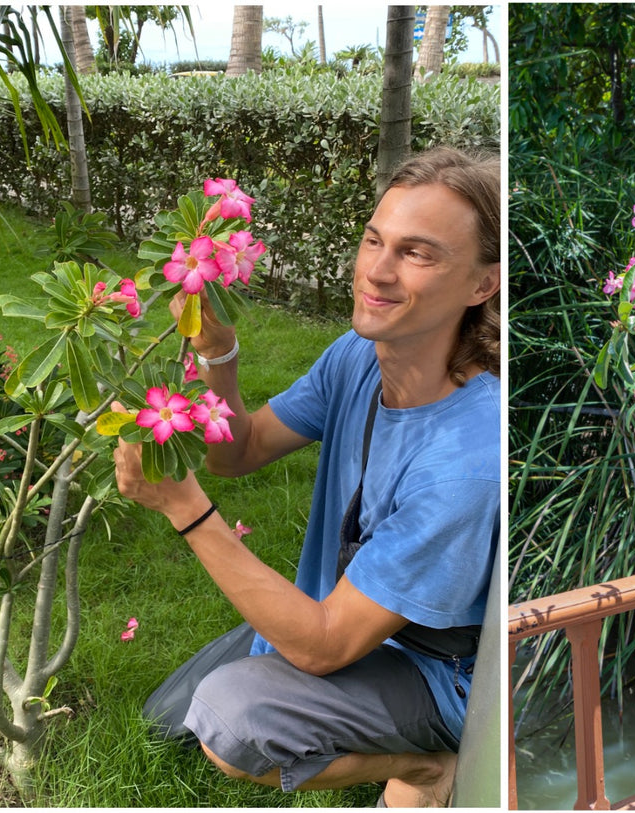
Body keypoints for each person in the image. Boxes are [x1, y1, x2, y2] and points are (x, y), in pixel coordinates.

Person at [112, 147, 501, 807]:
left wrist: (187, 511)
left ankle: (428, 764)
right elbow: (239, 451)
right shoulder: (356, 355)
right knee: (165, 718)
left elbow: (325, 644)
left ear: (481, 285)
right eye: (374, 240)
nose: (375, 271)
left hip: (432, 666)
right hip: (336, 611)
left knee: (232, 718)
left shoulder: (467, 454)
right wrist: (218, 353)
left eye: (417, 253)